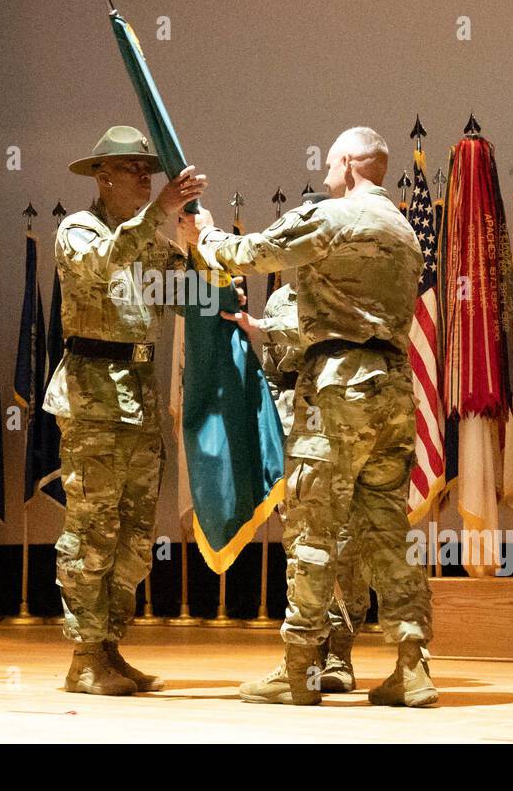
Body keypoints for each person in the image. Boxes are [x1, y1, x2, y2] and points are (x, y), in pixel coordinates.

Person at [181, 126, 436, 707]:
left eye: (328, 164)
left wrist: (206, 235)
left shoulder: (334, 217)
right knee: (388, 535)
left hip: (336, 389)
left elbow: (257, 253)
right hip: (395, 392)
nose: (324, 175)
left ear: (348, 164)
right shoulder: (405, 232)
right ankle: (412, 666)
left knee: (313, 530)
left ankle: (298, 669)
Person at [43, 125, 207, 696]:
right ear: (103, 177)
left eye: (149, 168)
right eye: (133, 168)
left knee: (133, 536)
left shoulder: (150, 236)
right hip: (93, 399)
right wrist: (162, 211)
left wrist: (197, 233)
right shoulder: (79, 230)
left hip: (137, 392)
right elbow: (109, 262)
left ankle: (110, 646)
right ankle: (83, 656)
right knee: (91, 531)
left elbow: (194, 279)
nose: (145, 175)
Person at [225, 277, 370, 697]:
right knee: (302, 544)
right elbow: (270, 375)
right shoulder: (280, 298)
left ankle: (340, 655)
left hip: (338, 426)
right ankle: (307, 658)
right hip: (294, 433)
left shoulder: (345, 290)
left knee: (345, 544)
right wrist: (273, 431)